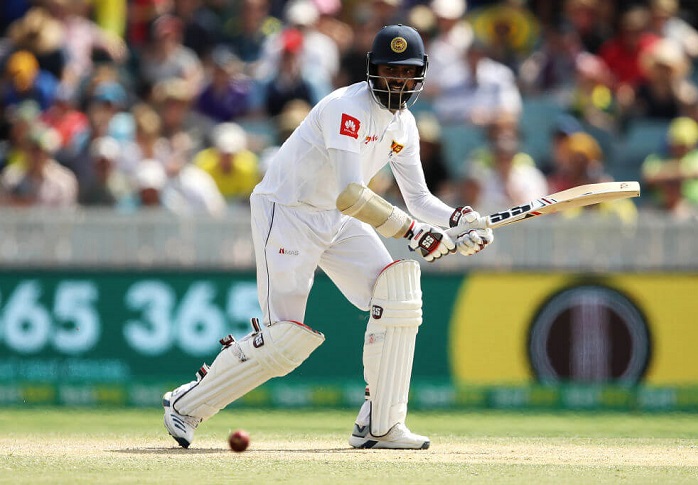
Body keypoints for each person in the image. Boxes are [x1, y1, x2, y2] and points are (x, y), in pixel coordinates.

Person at [162, 24, 493, 450]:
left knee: (397, 292)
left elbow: (420, 199)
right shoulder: (348, 108)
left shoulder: (404, 125)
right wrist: (416, 232)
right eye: (390, 71)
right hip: (288, 212)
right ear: (373, 70)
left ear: (420, 75)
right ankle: (185, 404)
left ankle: (380, 424)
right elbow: (352, 194)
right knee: (284, 338)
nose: (398, 81)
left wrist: (460, 219)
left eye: (407, 73)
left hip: (335, 218)